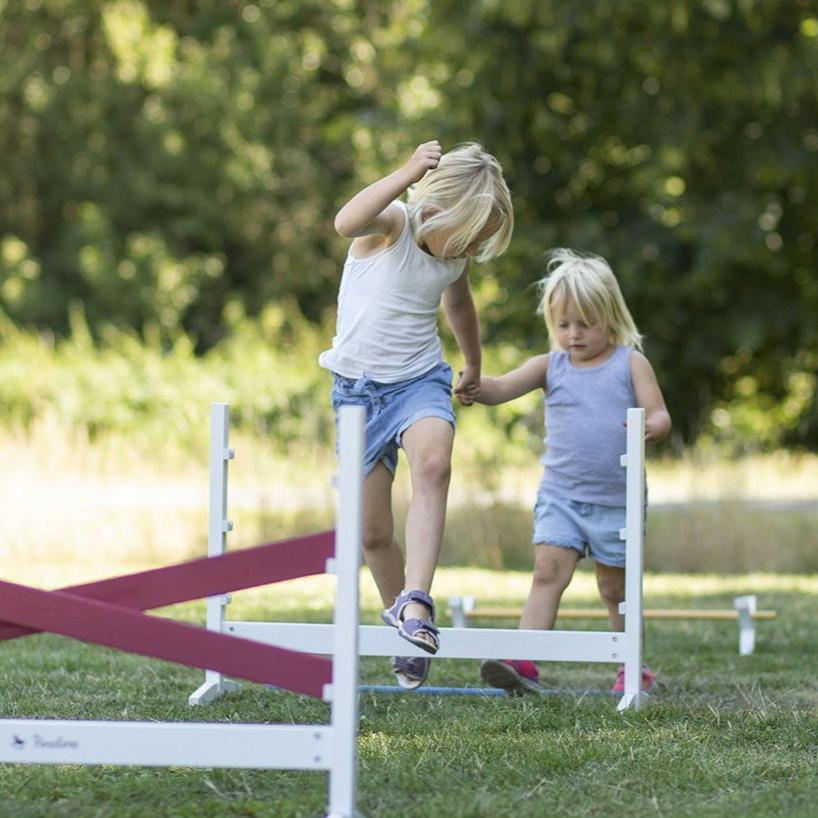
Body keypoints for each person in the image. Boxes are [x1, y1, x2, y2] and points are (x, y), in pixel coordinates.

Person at [320, 140, 514, 689]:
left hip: (419, 382)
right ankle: (403, 630)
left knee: (433, 467)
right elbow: (343, 221)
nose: (472, 247)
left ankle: (417, 602)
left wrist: (472, 363)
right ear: (437, 208)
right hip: (355, 393)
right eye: (469, 232)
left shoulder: (455, 258)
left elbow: (458, 306)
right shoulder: (393, 224)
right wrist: (404, 172)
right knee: (373, 534)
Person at [461, 248, 671, 695]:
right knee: (546, 574)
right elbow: (501, 388)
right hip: (561, 496)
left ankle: (632, 667)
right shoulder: (549, 366)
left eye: (585, 324)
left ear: (609, 318)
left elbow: (660, 414)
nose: (573, 335)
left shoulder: (629, 363)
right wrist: (475, 385)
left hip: (618, 501)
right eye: (563, 325)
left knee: (616, 590)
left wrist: (650, 426)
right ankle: (523, 660)